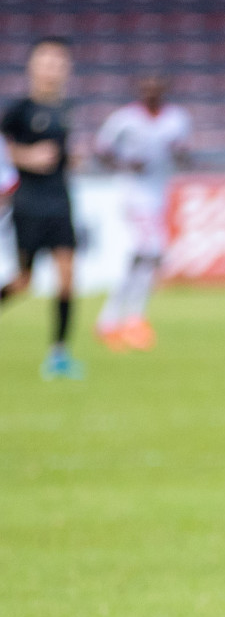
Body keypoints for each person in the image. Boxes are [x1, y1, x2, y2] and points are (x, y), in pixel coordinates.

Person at [1, 37, 82, 379]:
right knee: (24, 281)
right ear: (33, 66)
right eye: (46, 61)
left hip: (60, 202)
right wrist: (26, 157)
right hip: (29, 204)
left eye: (58, 62)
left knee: (67, 277)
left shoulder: (66, 111)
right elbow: (5, 152)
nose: (52, 68)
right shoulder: (19, 110)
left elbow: (65, 156)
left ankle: (59, 355)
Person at [93, 74, 192, 353]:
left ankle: (113, 320)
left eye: (156, 88)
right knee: (152, 250)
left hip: (157, 193)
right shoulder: (124, 119)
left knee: (141, 257)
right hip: (132, 193)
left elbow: (182, 152)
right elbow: (101, 150)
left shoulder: (177, 119)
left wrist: (181, 156)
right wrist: (125, 164)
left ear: (165, 90)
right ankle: (132, 319)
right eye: (146, 88)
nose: (151, 92)